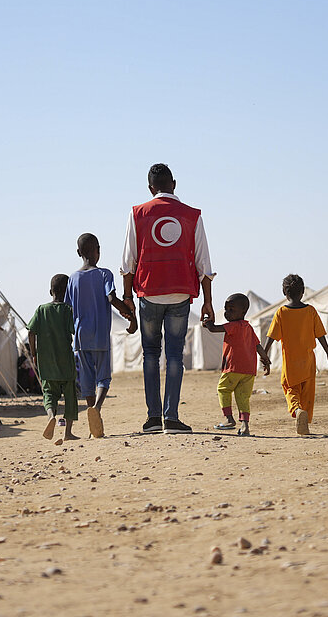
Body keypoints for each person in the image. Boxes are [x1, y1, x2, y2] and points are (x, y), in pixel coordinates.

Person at [120, 163, 214, 434]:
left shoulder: (137, 213)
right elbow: (203, 264)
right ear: (174, 183)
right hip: (180, 293)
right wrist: (207, 301)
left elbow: (128, 262)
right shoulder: (192, 215)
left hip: (149, 293)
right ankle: (171, 418)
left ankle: (152, 419)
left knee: (150, 355)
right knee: (174, 355)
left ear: (151, 189)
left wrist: (128, 297)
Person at [66, 233, 137, 438]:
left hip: (80, 337)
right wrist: (130, 316)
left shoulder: (72, 278)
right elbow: (111, 297)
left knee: (87, 380)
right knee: (103, 378)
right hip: (99, 335)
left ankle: (91, 415)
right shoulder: (105, 274)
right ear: (98, 250)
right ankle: (96, 409)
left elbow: (68, 308)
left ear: (79, 253)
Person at [261, 274, 328, 435]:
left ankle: (297, 411)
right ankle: (304, 423)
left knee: (290, 389)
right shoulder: (310, 311)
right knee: (307, 394)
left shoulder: (281, 313)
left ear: (284, 293)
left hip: (290, 363)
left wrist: (265, 356)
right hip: (309, 362)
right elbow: (320, 335)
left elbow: (271, 338)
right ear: (303, 292)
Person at [202, 293, 271, 436]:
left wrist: (208, 322)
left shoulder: (233, 326)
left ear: (243, 312)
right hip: (249, 370)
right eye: (226, 309)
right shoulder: (249, 327)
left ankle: (229, 419)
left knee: (223, 389)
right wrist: (265, 360)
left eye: (231, 310)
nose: (227, 313)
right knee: (243, 397)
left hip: (233, 367)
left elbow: (214, 329)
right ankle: (245, 426)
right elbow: (258, 346)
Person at [28, 274, 80, 441]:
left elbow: (31, 331)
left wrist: (33, 353)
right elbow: (75, 331)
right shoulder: (67, 310)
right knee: (70, 397)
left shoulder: (41, 310)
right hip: (66, 362)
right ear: (68, 292)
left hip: (47, 363)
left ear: (50, 291)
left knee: (49, 394)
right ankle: (68, 433)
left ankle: (51, 416)